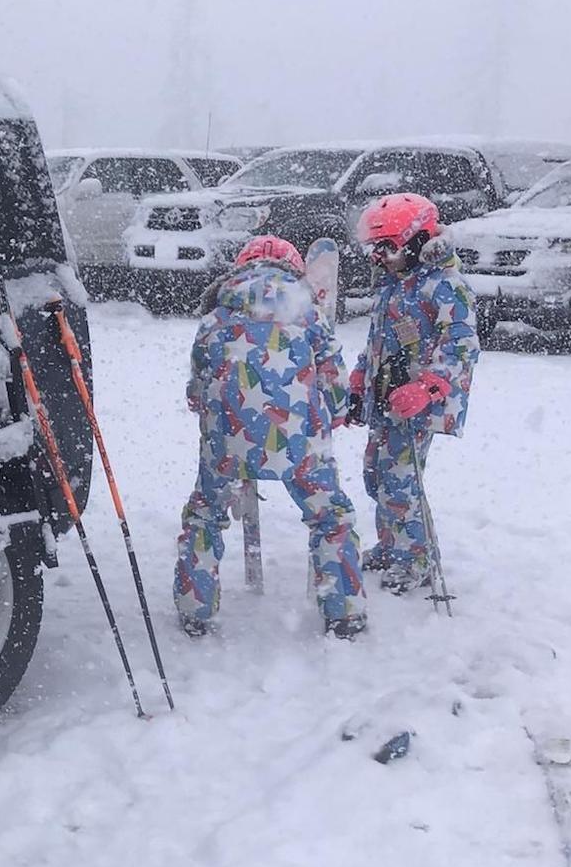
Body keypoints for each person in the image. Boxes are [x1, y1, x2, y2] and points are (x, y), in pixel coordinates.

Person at [175, 234, 366, 639]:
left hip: (227, 439)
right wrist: (334, 413)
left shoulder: (214, 319)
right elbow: (335, 386)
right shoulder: (311, 316)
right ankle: (344, 613)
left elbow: (197, 391)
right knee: (331, 516)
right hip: (301, 439)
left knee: (204, 515)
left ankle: (195, 610)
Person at [345, 192, 480, 594]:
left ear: (418, 241)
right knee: (376, 476)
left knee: (401, 482)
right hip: (386, 396)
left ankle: (416, 559)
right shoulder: (392, 285)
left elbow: (462, 346)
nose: (379, 257)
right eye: (374, 249)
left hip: (418, 403)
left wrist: (427, 387)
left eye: (387, 247)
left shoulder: (446, 286)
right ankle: (392, 546)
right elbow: (376, 342)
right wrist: (359, 380)